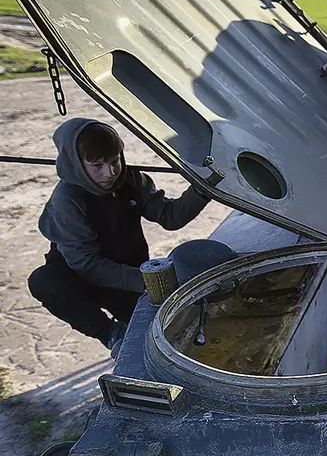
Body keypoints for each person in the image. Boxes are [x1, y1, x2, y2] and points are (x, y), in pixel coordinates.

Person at [28, 118, 211, 351]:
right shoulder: (67, 199)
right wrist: (144, 282)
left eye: (115, 161)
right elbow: (87, 264)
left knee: (163, 334)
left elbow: (170, 216)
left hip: (123, 273)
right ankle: (111, 334)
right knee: (43, 281)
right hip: (80, 275)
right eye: (97, 166)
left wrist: (202, 190)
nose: (110, 173)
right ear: (76, 163)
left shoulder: (130, 179)